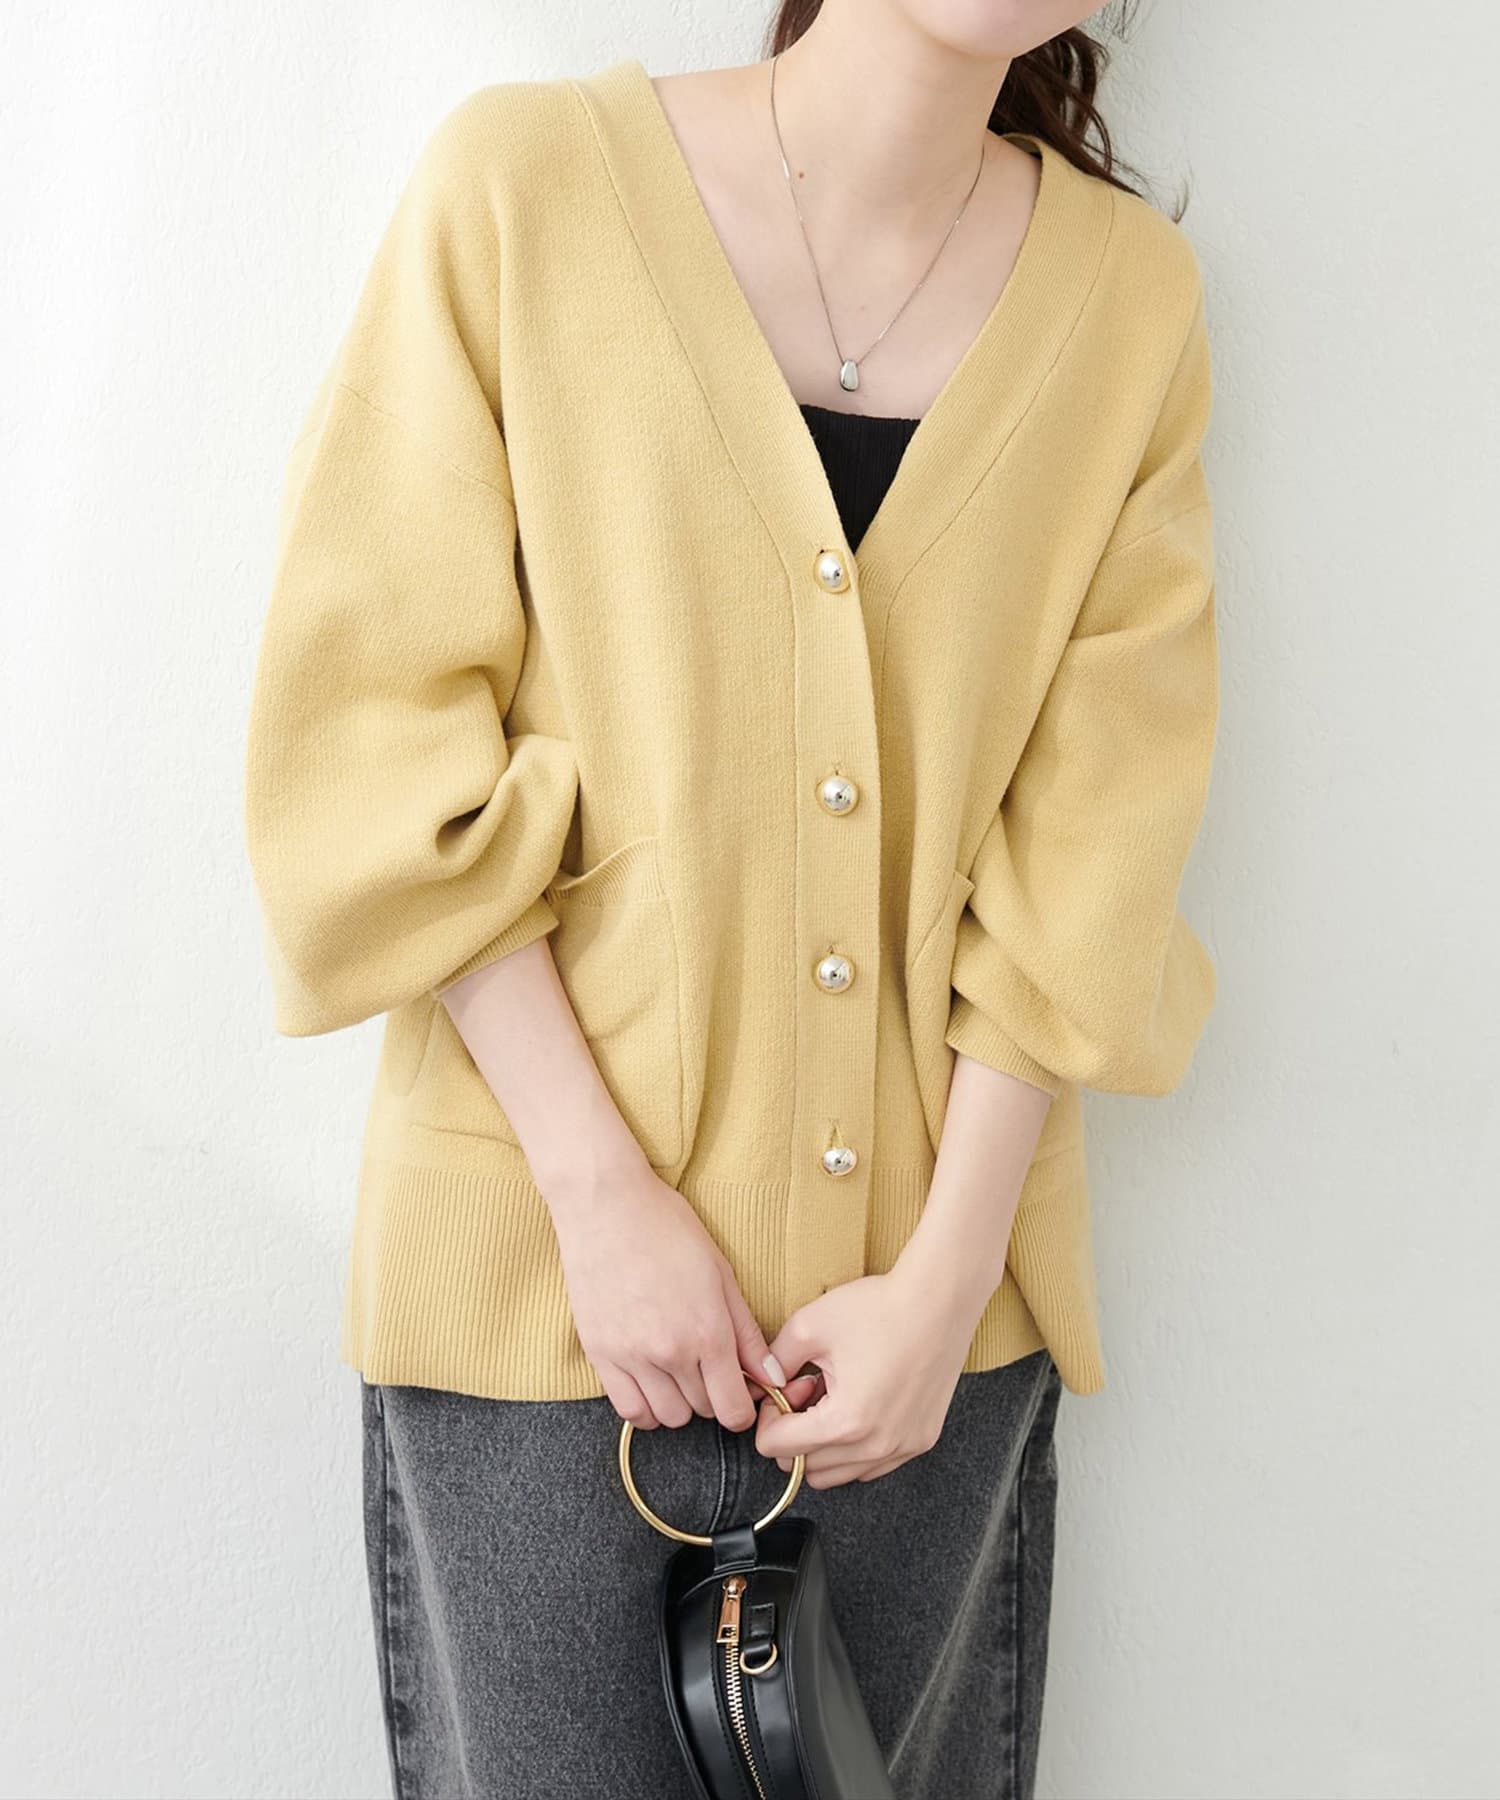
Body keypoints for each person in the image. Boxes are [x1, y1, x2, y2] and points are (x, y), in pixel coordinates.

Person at [243, 3, 1220, 1794]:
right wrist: (600, 1200)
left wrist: (946, 1286)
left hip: (923, 1363)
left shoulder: (1129, 305)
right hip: (541, 1315)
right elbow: (370, 738)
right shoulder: (524, 190)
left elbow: (1097, 846)